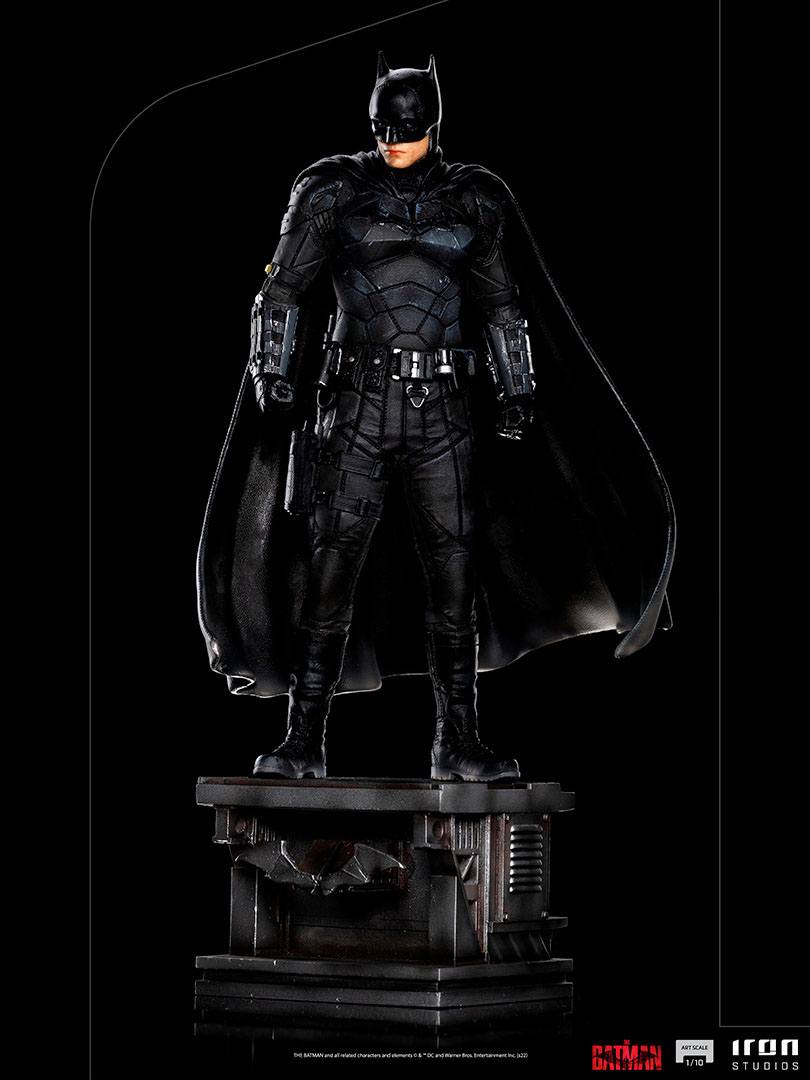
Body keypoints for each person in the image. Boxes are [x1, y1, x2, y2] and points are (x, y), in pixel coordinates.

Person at [196, 53, 676, 783]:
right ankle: (302, 741)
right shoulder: (332, 191)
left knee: (454, 582)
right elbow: (282, 291)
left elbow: (502, 305)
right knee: (329, 575)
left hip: (443, 416)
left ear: (434, 125)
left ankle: (459, 743)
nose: (393, 144)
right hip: (354, 409)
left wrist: (516, 391)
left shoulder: (473, 200)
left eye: (407, 131)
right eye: (384, 131)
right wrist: (273, 371)